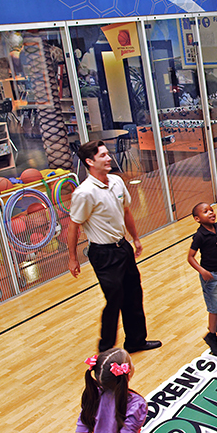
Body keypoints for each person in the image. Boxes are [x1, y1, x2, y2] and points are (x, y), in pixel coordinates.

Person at [68, 140, 161, 354]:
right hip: (103, 254)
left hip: (123, 248)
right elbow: (74, 226)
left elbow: (127, 211)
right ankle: (106, 349)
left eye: (108, 154)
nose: (109, 158)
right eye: (103, 155)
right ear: (89, 161)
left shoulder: (117, 182)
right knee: (114, 298)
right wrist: (72, 258)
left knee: (134, 293)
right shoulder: (84, 193)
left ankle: (136, 341)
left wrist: (135, 238)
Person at [188, 201, 217, 357]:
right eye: (205, 211)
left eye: (212, 210)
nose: (211, 213)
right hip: (211, 276)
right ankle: (212, 335)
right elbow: (190, 257)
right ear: (197, 219)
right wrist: (202, 271)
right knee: (215, 307)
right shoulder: (199, 236)